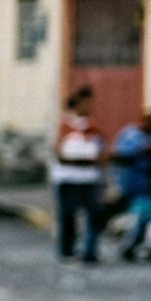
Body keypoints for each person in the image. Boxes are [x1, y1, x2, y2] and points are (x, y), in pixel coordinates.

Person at [52, 87, 108, 264]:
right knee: (68, 217)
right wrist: (85, 160)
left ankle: (90, 251)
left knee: (95, 215)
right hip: (68, 178)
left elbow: (101, 151)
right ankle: (67, 251)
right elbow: (60, 154)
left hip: (90, 178)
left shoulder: (92, 125)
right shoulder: (65, 125)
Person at [110, 110, 151, 261]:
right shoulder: (131, 135)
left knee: (150, 213)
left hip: (149, 187)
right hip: (134, 184)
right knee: (141, 214)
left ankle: (141, 244)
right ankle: (131, 244)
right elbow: (125, 154)